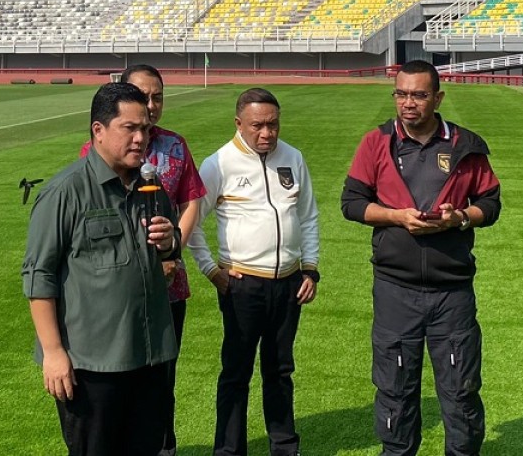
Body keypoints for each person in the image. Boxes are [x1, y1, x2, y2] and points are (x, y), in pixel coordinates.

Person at [341, 60, 502, 456]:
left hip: (452, 292)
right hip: (395, 289)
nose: (408, 103)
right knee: (394, 390)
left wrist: (459, 218)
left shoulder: (466, 145)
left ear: (438, 98)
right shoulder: (376, 143)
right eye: (401, 94)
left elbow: (490, 204)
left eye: (418, 95)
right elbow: (351, 203)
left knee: (461, 389)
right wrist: (396, 216)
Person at [23, 82, 180, 456]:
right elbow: (39, 275)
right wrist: (53, 353)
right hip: (92, 365)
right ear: (99, 130)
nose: (141, 138)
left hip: (149, 355)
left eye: (145, 129)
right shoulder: (66, 191)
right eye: (130, 128)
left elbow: (168, 250)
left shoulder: (151, 185)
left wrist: (168, 242)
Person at [78, 65, 206, 456]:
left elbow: (191, 201)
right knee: (119, 380)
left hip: (168, 286)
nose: (151, 105)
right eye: (142, 96)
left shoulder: (175, 146)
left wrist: (173, 252)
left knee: (161, 381)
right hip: (118, 290)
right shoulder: (99, 148)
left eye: (157, 97)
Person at [187, 87, 320, 456]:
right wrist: (210, 269)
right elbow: (191, 221)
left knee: (280, 371)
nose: (267, 133)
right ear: (238, 123)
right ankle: (229, 450)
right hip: (242, 285)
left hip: (289, 283)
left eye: (273, 125)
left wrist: (310, 269)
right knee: (236, 373)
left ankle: (284, 446)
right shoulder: (218, 163)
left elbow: (308, 216)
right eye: (257, 126)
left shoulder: (292, 157)